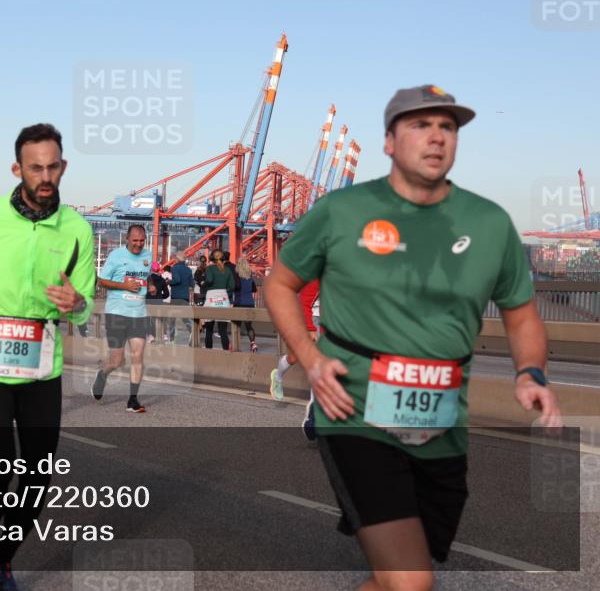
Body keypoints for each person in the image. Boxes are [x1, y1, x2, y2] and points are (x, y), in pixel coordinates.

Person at [265, 85, 564, 589]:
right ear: (388, 141)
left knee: (398, 578)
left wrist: (530, 371)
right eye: (419, 125)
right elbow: (279, 282)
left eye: (447, 127)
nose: (435, 137)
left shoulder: (489, 223)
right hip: (355, 411)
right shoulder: (342, 212)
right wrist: (309, 356)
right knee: (412, 582)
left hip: (441, 423)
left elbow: (521, 314)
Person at [0, 123, 95, 591]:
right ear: (18, 169)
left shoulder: (78, 229)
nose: (45, 176)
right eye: (35, 168)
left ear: (63, 167)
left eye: (53, 167)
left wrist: (78, 304)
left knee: (37, 472)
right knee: (0, 461)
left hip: (42, 365)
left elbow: (84, 299)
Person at [93, 224, 151, 414]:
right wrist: (124, 286)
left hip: (139, 313)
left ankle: (132, 400)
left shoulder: (148, 256)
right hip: (117, 312)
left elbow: (144, 277)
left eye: (142, 241)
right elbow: (101, 280)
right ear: (127, 239)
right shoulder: (116, 256)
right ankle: (103, 374)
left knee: (138, 355)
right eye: (135, 241)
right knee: (117, 361)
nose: (138, 245)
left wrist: (149, 285)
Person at [270, 278, 321, 440]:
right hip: (307, 319)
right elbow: (303, 301)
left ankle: (314, 420)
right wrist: (310, 328)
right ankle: (277, 376)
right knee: (293, 357)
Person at [202, 249, 234, 350]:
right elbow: (232, 286)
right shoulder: (227, 270)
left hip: (211, 296)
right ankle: (225, 353)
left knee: (209, 330)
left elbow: (210, 280)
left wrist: (204, 284)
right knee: (223, 330)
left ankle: (209, 352)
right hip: (223, 297)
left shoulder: (210, 269)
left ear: (212, 258)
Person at [166, 253, 193, 343]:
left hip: (176, 296)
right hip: (185, 297)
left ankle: (172, 339)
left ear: (177, 259)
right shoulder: (188, 269)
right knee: (185, 318)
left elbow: (177, 280)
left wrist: (168, 282)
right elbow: (192, 284)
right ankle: (192, 332)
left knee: (172, 318)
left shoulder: (175, 268)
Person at [233, 257, 258, 352]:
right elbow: (254, 290)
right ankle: (253, 343)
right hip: (249, 303)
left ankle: (234, 344)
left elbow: (234, 287)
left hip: (239, 302)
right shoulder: (250, 278)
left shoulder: (237, 277)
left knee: (236, 325)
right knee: (249, 326)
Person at [145, 267, 169, 343]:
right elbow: (167, 294)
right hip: (158, 301)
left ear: (152, 270)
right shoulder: (162, 280)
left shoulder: (147, 279)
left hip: (148, 301)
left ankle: (151, 335)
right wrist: (161, 296)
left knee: (149, 319)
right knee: (160, 318)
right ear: (159, 270)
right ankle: (163, 334)